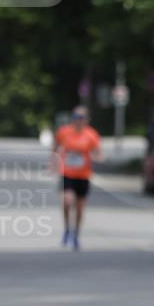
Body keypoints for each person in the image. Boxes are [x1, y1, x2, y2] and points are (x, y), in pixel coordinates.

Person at [53, 106, 102, 250]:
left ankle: (76, 234)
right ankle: (67, 228)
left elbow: (98, 153)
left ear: (87, 120)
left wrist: (97, 157)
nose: (79, 120)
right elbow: (55, 147)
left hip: (83, 175)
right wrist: (53, 162)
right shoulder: (64, 132)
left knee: (80, 209)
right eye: (76, 117)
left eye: (82, 118)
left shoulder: (91, 135)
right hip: (67, 173)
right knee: (67, 202)